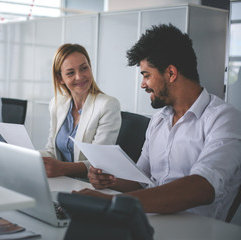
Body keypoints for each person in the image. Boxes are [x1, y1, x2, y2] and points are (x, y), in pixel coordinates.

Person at [75, 24, 241, 221]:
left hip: (194, 231)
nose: (143, 84)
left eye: (146, 75)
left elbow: (203, 186)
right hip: (149, 221)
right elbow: (141, 180)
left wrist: (112, 203)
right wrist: (110, 179)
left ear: (171, 73)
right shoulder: (158, 120)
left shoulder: (224, 118)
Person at [40, 43, 121, 178]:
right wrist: (25, 156)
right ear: (60, 78)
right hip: (61, 180)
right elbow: (52, 152)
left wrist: (62, 168)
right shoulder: (56, 104)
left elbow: (99, 163)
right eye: (71, 73)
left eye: (84, 68)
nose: (79, 76)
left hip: (89, 183)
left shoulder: (108, 105)